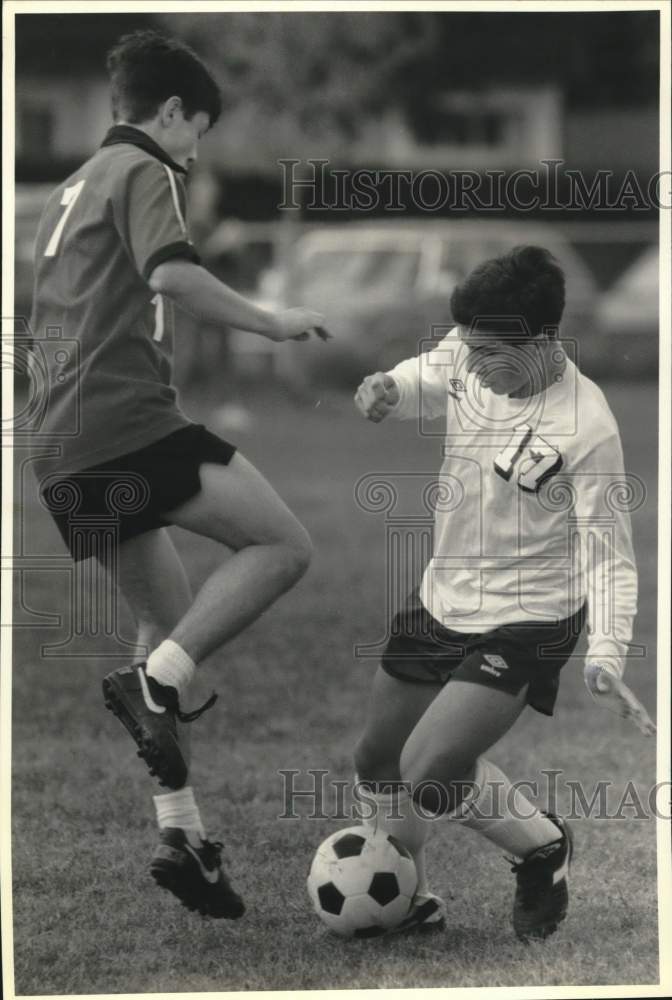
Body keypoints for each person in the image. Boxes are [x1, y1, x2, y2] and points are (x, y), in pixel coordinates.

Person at [29, 30, 328, 920]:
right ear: (168, 115)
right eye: (198, 129)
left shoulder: (67, 187)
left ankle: (182, 837)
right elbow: (174, 274)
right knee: (282, 545)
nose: (198, 149)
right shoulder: (145, 170)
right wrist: (271, 323)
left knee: (167, 628)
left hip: (59, 438)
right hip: (125, 424)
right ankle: (153, 683)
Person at [353, 245, 652, 940]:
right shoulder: (471, 349)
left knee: (428, 770)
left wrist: (607, 647)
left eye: (491, 355)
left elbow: (611, 554)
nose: (476, 367)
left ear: (544, 342)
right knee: (376, 759)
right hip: (445, 595)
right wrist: (391, 389)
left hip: (530, 616)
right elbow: (428, 377)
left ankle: (541, 845)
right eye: (470, 349)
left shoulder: (587, 427)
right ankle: (409, 902)